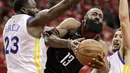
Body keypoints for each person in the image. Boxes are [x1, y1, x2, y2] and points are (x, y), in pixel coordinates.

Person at [2, 0, 85, 73]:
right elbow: (66, 4)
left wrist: (68, 43)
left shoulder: (8, 25)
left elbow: (28, 35)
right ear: (24, 10)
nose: (37, 10)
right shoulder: (32, 23)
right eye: (34, 7)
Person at [44, 7, 109, 73]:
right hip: (45, 66)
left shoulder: (101, 45)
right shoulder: (72, 25)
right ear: (85, 18)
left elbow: (104, 69)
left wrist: (100, 66)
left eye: (100, 16)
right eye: (94, 14)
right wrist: (68, 43)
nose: (97, 17)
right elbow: (48, 40)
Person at [91, 0, 130, 73]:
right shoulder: (106, 61)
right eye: (115, 36)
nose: (116, 39)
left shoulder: (128, 54)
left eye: (121, 37)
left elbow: (124, 18)